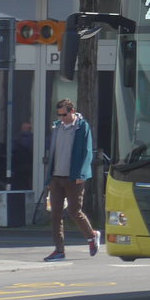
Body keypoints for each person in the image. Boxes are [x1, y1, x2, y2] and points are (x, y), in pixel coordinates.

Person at [43, 99, 100, 262]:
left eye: (64, 114)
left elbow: (87, 152)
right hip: (56, 176)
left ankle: (92, 236)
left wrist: (81, 175)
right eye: (59, 115)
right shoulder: (57, 127)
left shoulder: (82, 127)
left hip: (73, 178)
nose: (62, 118)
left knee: (74, 211)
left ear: (72, 110)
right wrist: (49, 176)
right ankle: (59, 250)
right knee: (55, 214)